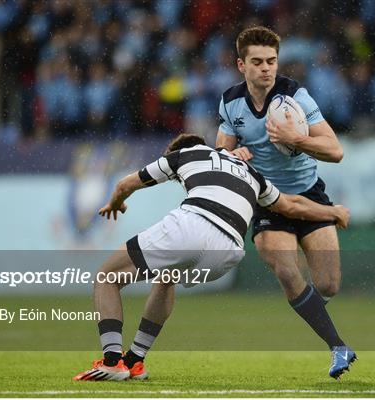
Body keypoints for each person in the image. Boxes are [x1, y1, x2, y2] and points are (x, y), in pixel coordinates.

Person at [73, 133, 350, 381]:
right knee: (166, 279)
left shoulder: (183, 156)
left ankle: (111, 362)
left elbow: (125, 183)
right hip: (228, 250)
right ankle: (134, 361)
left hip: (194, 222)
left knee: (106, 277)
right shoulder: (252, 173)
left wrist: (115, 203)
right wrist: (333, 212)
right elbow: (292, 206)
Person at [215, 26, 356, 378]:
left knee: (327, 285)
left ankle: (309, 308)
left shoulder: (297, 96)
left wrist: (297, 138)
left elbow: (335, 151)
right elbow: (220, 150)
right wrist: (236, 154)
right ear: (241, 65)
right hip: (266, 198)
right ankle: (338, 346)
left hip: (308, 193)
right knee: (285, 269)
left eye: (272, 61)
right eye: (258, 62)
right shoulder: (231, 101)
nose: (266, 68)